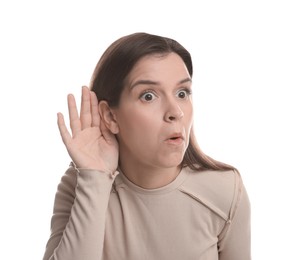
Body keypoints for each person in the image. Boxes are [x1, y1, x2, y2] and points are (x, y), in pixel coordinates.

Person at [42, 32, 251, 260]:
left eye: (182, 93)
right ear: (111, 116)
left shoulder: (225, 190)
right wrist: (94, 178)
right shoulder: (80, 184)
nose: (176, 112)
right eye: (149, 96)